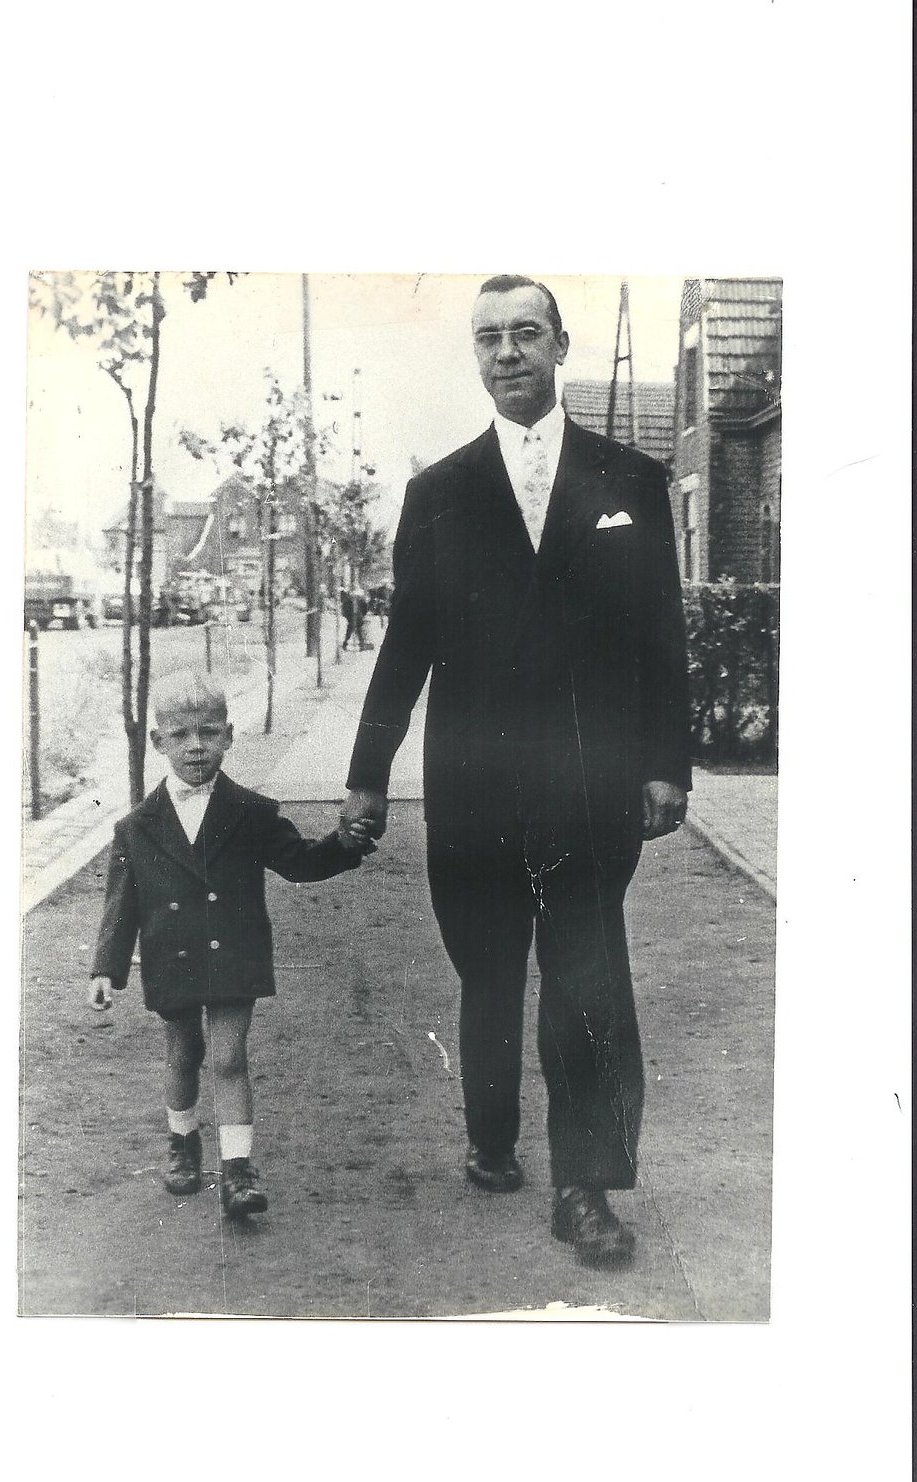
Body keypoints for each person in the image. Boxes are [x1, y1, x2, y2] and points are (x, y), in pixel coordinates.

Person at [340, 275, 691, 1269]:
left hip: (589, 780)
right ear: (475, 355)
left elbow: (659, 636)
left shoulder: (630, 483)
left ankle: (583, 1185)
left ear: (560, 344)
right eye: (488, 337)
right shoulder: (438, 493)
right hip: (474, 785)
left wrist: (668, 762)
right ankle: (490, 1133)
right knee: (488, 966)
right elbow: (404, 641)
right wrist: (367, 772)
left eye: (524, 334)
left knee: (585, 973)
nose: (506, 353)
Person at [90, 670, 375, 1219]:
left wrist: (343, 844)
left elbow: (301, 863)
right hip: (170, 955)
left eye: (209, 732)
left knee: (228, 1056)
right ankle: (183, 1145)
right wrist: (106, 968)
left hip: (232, 951)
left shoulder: (250, 812)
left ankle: (239, 1171)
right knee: (184, 1053)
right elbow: (119, 905)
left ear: (229, 735)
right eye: (180, 735)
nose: (195, 746)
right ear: (158, 743)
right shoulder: (136, 827)